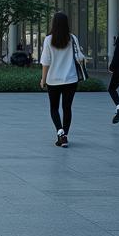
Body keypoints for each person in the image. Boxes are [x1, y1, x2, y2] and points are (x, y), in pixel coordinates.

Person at [39, 11, 86, 148]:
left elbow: (45, 62)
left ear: (53, 23)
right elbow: (80, 58)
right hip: (71, 79)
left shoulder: (48, 39)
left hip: (53, 80)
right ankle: (65, 135)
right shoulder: (72, 38)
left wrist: (43, 80)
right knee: (67, 108)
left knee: (54, 108)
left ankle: (60, 133)